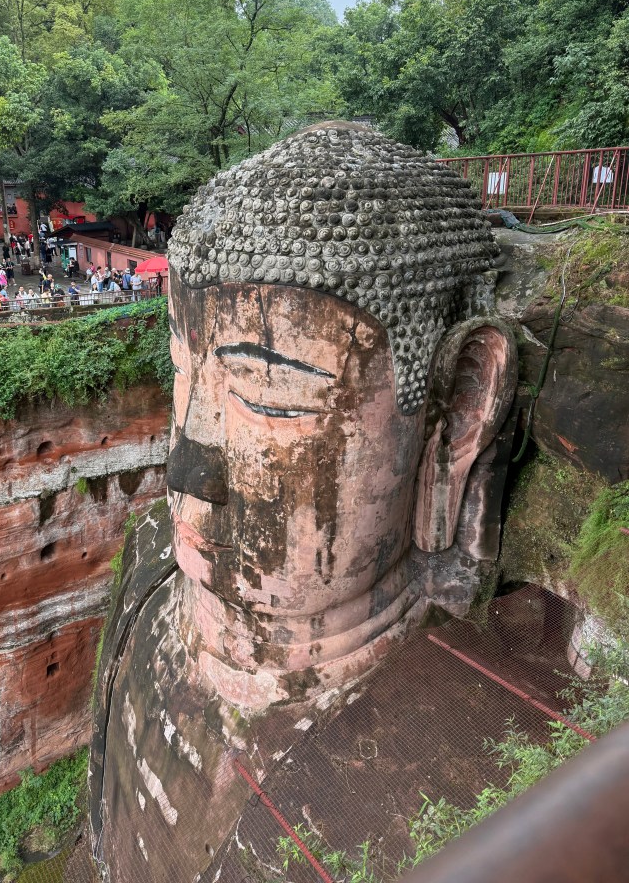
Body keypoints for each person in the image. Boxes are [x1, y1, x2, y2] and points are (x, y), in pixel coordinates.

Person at [91, 122, 518, 883]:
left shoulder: (469, 792)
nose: (186, 469)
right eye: (181, 371)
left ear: (456, 411)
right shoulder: (151, 581)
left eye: (267, 389)